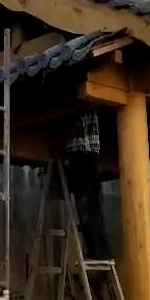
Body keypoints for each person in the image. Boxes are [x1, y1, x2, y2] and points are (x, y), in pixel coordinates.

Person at [64, 107, 111, 260]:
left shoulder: (79, 106)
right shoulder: (92, 109)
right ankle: (101, 250)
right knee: (95, 208)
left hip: (79, 156)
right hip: (91, 157)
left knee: (85, 209)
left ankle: (96, 250)